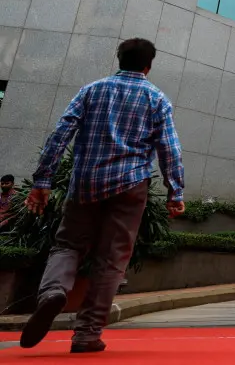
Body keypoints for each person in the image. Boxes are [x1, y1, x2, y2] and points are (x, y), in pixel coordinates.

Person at [19, 38, 185, 353]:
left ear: (119, 59)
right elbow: (169, 148)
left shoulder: (91, 91)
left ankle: (53, 290)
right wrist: (175, 191)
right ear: (148, 66)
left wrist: (42, 181)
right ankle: (86, 333)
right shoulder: (156, 98)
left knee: (68, 244)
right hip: (131, 185)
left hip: (85, 182)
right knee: (111, 259)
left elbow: (60, 133)